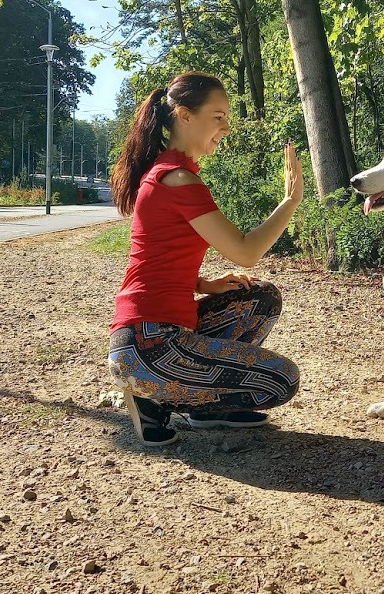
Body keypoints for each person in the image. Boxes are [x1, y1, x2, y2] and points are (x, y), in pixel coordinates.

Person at [107, 71, 304, 446]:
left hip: (149, 336)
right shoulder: (176, 179)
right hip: (148, 345)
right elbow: (246, 251)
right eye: (218, 116)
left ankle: (199, 406)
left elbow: (154, 256)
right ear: (184, 115)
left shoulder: (169, 175)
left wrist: (202, 284)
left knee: (260, 298)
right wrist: (290, 202)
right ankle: (153, 399)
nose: (226, 127)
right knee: (282, 380)